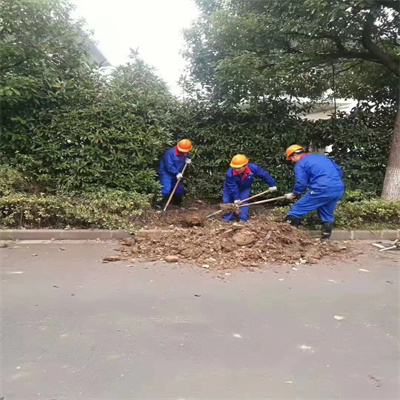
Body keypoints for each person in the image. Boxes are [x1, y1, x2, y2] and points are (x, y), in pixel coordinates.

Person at [284, 145, 344, 239]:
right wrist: (331, 183)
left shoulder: (300, 164)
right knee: (326, 213)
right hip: (337, 188)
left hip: (321, 189)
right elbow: (339, 171)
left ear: (295, 155)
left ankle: (287, 237)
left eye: (291, 158)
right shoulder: (322, 158)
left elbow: (301, 182)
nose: (292, 160)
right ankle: (325, 239)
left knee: (296, 210)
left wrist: (294, 194)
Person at [223, 154, 277, 222]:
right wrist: (236, 198)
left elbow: (264, 175)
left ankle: (243, 220)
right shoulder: (230, 174)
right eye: (234, 167)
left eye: (239, 168)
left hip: (245, 188)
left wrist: (272, 185)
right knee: (228, 202)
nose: (236, 170)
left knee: (244, 202)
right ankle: (227, 220)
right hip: (230, 189)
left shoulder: (253, 168)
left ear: (245, 165)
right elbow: (233, 187)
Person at [156, 139, 192, 209]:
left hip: (177, 174)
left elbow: (187, 157)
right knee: (166, 189)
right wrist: (177, 173)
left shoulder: (185, 153)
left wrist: (188, 160)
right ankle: (159, 204)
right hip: (166, 173)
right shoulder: (169, 153)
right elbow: (169, 166)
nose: (185, 153)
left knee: (179, 189)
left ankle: (178, 203)